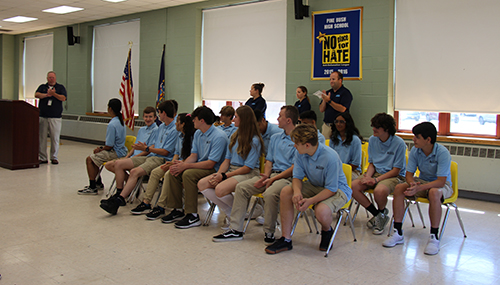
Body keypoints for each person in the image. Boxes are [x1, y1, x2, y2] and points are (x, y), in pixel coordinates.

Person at [212, 105, 298, 243]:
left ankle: (269, 231)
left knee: (270, 193)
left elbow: (295, 167)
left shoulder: (298, 140)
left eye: (280, 116)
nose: (277, 118)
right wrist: (266, 176)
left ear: (288, 120)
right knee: (242, 187)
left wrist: (273, 178)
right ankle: (235, 230)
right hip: (271, 176)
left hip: (287, 178)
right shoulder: (276, 138)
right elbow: (269, 161)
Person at [265, 124, 351, 254]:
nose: (294, 146)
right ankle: (286, 239)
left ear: (307, 145)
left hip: (337, 190)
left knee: (321, 210)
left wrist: (310, 201)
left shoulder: (330, 157)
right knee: (286, 191)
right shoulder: (300, 153)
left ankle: (327, 230)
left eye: (297, 143)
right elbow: (297, 177)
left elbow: (331, 189)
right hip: (315, 185)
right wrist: (297, 192)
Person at [383, 122, 452, 255]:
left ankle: (434, 237)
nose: (413, 139)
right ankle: (398, 232)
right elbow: (409, 174)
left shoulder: (442, 153)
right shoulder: (415, 150)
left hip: (441, 186)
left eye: (417, 137)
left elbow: (441, 181)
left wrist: (420, 187)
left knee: (433, 193)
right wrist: (412, 184)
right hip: (422, 182)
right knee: (399, 188)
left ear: (428, 140)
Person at [152, 106, 228, 228]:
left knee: (188, 174)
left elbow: (211, 163)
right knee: (173, 171)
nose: (192, 121)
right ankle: (177, 209)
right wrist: (182, 165)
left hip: (214, 169)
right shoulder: (198, 133)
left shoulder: (219, 136)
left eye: (195, 119)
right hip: (199, 165)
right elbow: (194, 155)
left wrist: (186, 166)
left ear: (202, 121)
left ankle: (192, 215)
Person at [100, 100, 178, 215]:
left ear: (164, 113)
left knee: (134, 172)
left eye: (159, 113)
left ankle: (118, 201)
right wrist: (145, 149)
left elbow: (165, 152)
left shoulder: (174, 129)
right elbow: (154, 146)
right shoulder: (162, 127)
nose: (158, 115)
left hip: (160, 159)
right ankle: (119, 194)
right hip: (151, 155)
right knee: (118, 164)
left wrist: (146, 149)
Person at [199, 105, 263, 228]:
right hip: (232, 170)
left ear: (243, 120)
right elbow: (227, 160)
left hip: (247, 173)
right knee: (203, 184)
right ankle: (232, 212)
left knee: (220, 189)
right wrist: (219, 174)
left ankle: (239, 213)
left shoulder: (254, 140)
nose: (234, 120)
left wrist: (224, 176)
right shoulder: (234, 136)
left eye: (236, 117)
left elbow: (247, 168)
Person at [351, 113, 406, 235]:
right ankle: (378, 215)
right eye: (373, 126)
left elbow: (396, 170)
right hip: (376, 172)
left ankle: (381, 212)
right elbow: (372, 163)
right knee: (353, 186)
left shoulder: (399, 144)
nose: (373, 129)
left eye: (377, 127)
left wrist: (375, 181)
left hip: (393, 176)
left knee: (379, 191)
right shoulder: (373, 140)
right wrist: (369, 177)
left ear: (386, 129)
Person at [130, 113, 195, 215]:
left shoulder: (193, 137)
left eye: (177, 122)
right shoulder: (179, 135)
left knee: (169, 174)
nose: (176, 124)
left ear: (182, 124)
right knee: (155, 172)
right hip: (177, 162)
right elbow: (177, 153)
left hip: (187, 165)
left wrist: (175, 164)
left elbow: (192, 157)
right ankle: (146, 202)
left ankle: (160, 206)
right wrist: (172, 163)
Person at [77, 99, 127, 195]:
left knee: (89, 159)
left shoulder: (112, 124)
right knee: (96, 157)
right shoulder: (121, 121)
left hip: (115, 152)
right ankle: (98, 182)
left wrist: (100, 149)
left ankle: (92, 187)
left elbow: (109, 146)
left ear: (110, 109)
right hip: (122, 151)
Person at [104, 106, 158, 174]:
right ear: (143, 117)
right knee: (109, 165)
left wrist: (134, 157)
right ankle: (129, 180)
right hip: (134, 157)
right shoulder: (141, 130)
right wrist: (127, 156)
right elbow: (135, 146)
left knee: (118, 164)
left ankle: (126, 183)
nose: (148, 119)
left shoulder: (156, 130)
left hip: (143, 158)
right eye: (146, 117)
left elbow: (149, 150)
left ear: (155, 118)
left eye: (150, 117)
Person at [35, 71, 67, 164]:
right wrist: (46, 95)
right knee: (42, 137)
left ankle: (54, 157)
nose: (51, 79)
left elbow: (63, 98)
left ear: (55, 78)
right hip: (43, 116)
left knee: (55, 138)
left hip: (55, 117)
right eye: (49, 77)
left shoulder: (60, 87)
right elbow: (36, 94)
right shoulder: (42, 87)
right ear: (47, 78)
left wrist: (54, 94)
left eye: (53, 77)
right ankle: (42, 157)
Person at [319, 71, 353, 139]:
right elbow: (321, 109)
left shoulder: (345, 93)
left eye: (333, 79)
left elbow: (342, 109)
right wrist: (324, 100)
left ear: (340, 80)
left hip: (339, 127)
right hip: (327, 126)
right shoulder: (328, 92)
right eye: (330, 79)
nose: (331, 81)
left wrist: (329, 101)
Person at [329, 112, 363, 180]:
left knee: (337, 178)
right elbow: (330, 158)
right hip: (336, 170)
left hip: (352, 171)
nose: (338, 124)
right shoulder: (333, 139)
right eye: (336, 122)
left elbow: (355, 164)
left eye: (341, 122)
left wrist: (341, 169)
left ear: (347, 123)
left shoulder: (355, 140)